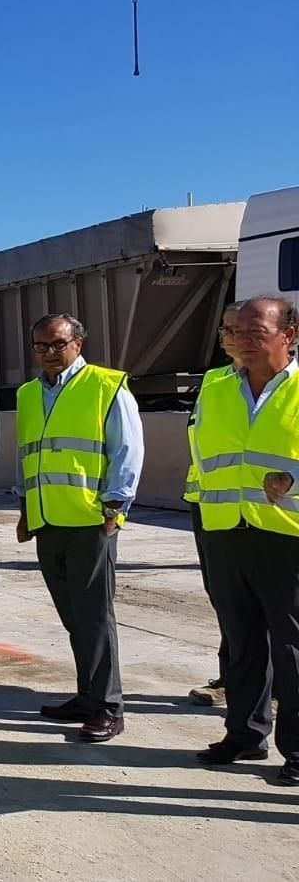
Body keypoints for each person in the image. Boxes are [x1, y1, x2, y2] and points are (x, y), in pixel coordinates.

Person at [15, 312, 143, 743]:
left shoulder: (107, 386)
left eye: (58, 344)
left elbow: (127, 450)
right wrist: (25, 510)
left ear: (78, 344)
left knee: (94, 617)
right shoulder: (30, 393)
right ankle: (87, 696)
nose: (49, 353)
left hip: (91, 520)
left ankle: (109, 706)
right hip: (49, 519)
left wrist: (115, 507)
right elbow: (29, 454)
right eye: (40, 346)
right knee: (73, 616)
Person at [191, 296, 299, 787]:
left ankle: (296, 751)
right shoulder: (214, 386)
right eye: (231, 331)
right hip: (225, 532)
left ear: (287, 336)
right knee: (241, 643)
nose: (238, 341)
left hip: (288, 538)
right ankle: (244, 734)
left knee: (292, 650)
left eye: (253, 332)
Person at [184, 305, 244, 708]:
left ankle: (273, 687)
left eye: (240, 330)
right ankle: (233, 678)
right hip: (211, 506)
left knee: (276, 609)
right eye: (226, 329)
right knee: (227, 601)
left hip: (273, 514)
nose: (230, 337)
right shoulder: (214, 381)